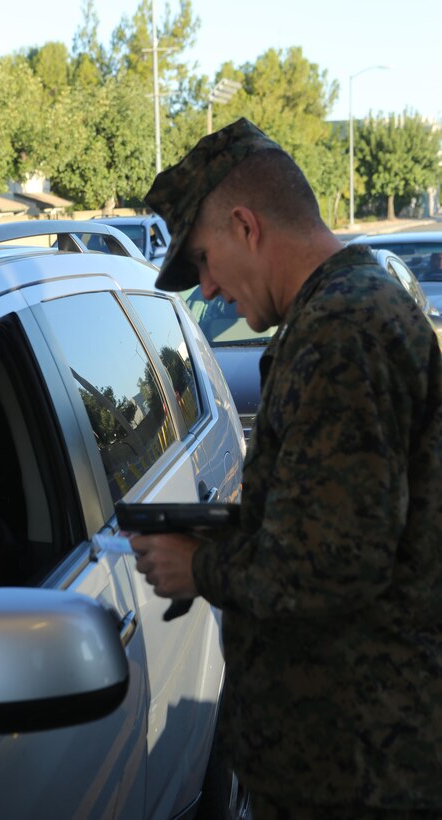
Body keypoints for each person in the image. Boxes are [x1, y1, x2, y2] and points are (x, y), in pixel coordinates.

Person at [131, 118, 442, 819]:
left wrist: (198, 568)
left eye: (204, 261)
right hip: (345, 755)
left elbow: (332, 565)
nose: (206, 291)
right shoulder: (342, 311)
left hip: (358, 770)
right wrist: (225, 533)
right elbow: (337, 521)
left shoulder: (342, 331)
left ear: (246, 225)